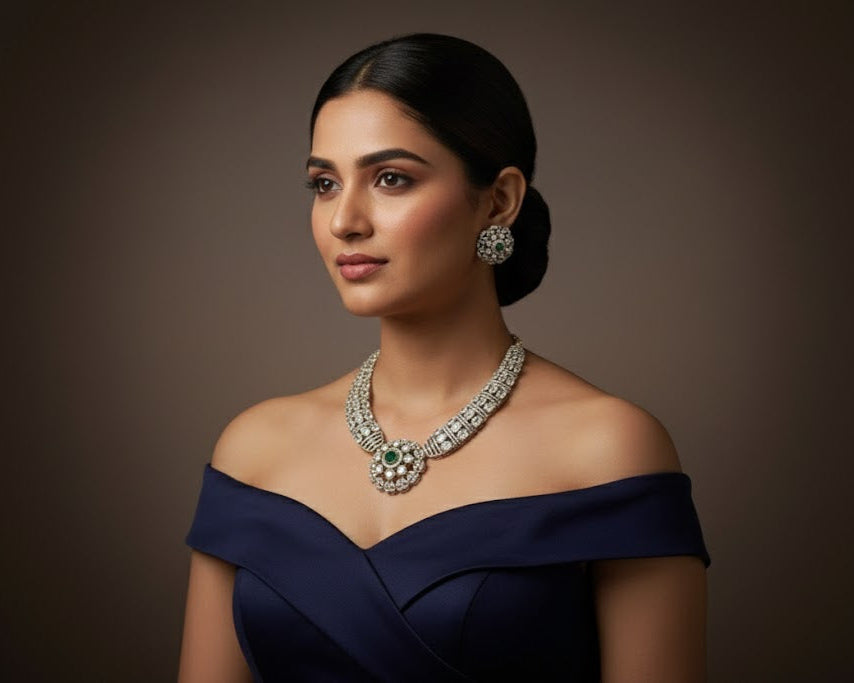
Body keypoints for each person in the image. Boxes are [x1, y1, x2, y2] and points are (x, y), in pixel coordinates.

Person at [178, 32, 710, 682]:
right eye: (324, 183)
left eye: (391, 178)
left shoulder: (608, 447)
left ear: (499, 200)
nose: (345, 219)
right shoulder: (254, 448)